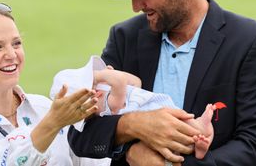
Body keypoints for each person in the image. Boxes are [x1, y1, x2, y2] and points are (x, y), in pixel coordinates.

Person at [67, 0, 256, 165]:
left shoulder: (252, 43)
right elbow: (80, 134)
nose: (135, 6)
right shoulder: (124, 38)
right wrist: (135, 127)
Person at [0, 3, 109, 166]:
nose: (11, 54)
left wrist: (111, 114)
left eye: (16, 43)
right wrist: (52, 124)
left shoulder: (45, 108)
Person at [50, 55, 216, 160]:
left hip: (157, 109)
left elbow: (136, 82)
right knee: (183, 129)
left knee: (184, 128)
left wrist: (109, 76)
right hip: (155, 111)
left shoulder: (109, 91)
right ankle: (200, 139)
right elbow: (122, 82)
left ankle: (200, 141)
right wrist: (104, 76)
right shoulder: (108, 105)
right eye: (94, 79)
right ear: (93, 94)